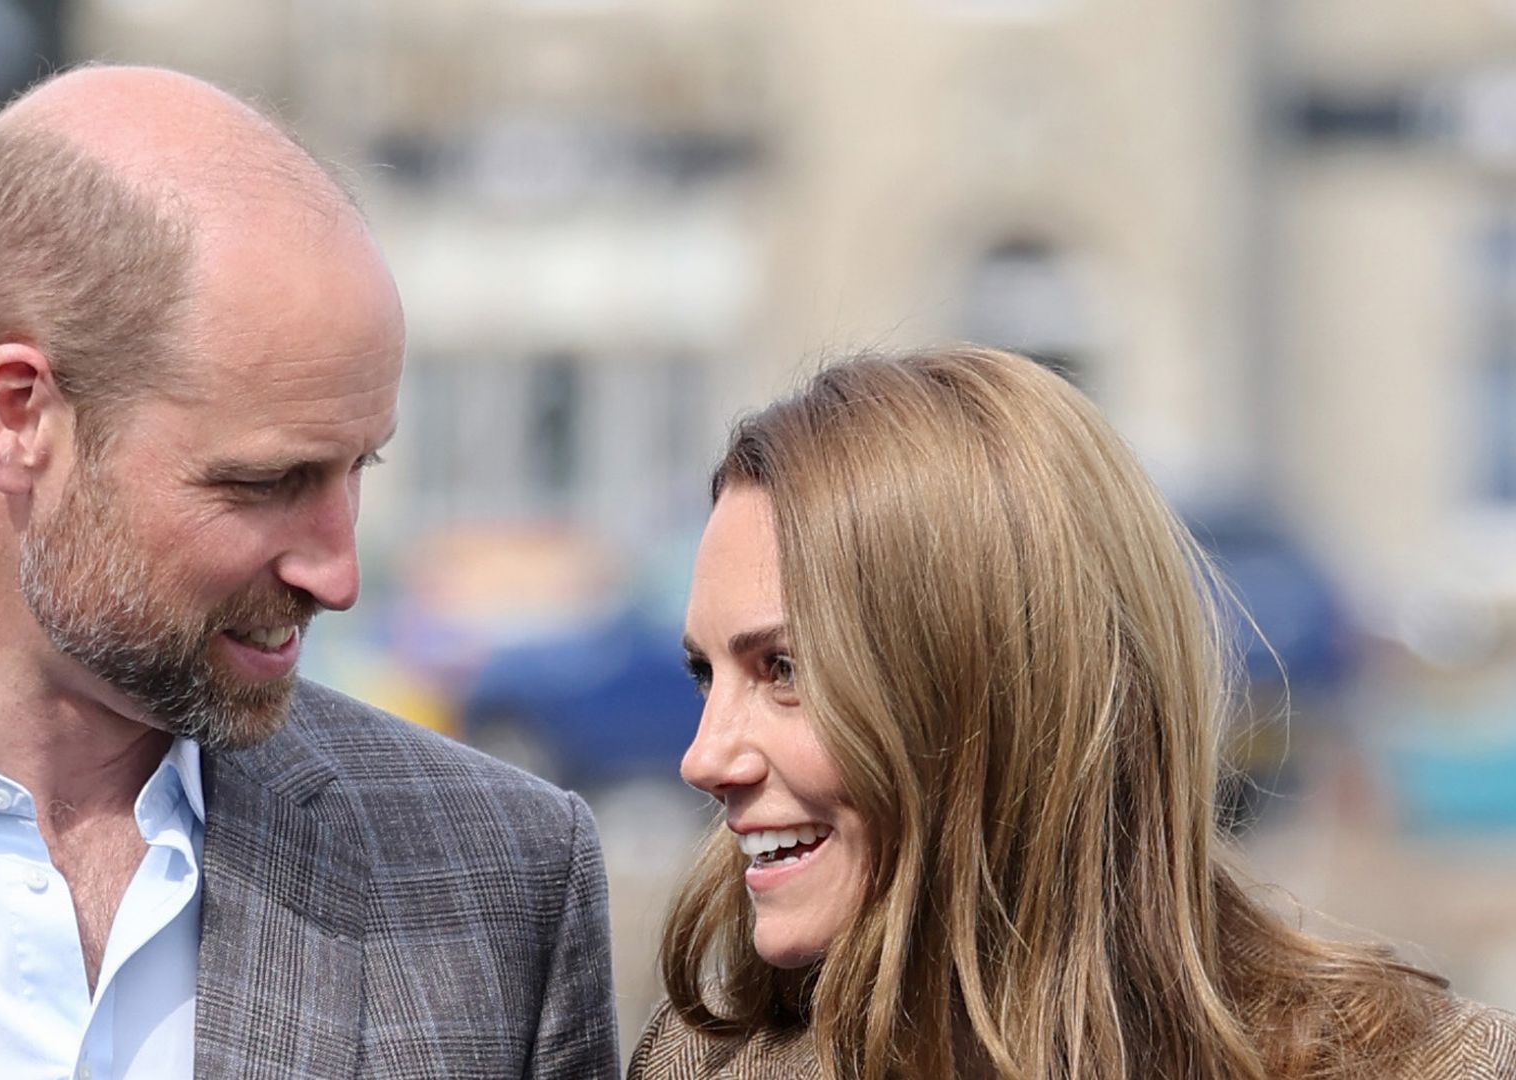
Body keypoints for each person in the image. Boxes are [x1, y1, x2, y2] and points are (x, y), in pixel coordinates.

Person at [0, 66, 616, 1078]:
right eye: (264, 482)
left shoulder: (498, 879)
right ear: (19, 416)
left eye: (359, 469)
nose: (337, 572)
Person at [630, 346, 1516, 1079]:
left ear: (997, 682)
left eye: (784, 668)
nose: (704, 758)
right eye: (707, 674)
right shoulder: (704, 1062)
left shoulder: (1432, 1066)